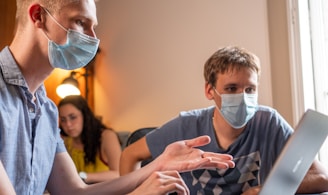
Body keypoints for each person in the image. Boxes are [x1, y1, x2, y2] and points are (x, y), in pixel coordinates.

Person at [0, 0, 236, 194]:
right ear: (38, 15)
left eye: (93, 27)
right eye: (81, 22)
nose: (93, 38)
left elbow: (74, 192)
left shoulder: (47, 110)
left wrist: (158, 164)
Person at [120, 46, 328, 194]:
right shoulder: (186, 125)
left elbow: (322, 178)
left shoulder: (269, 122)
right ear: (209, 90)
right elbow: (130, 155)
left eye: (250, 89)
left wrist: (261, 191)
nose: (243, 97)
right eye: (231, 89)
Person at [58, 95, 122, 184]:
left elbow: (119, 173)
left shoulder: (106, 136)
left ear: (85, 115)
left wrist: (83, 176)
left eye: (73, 117)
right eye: (63, 120)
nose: (68, 124)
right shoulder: (66, 142)